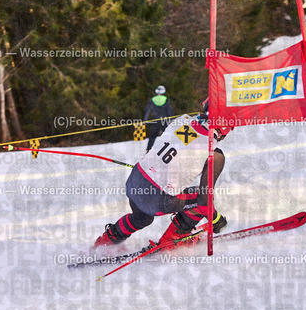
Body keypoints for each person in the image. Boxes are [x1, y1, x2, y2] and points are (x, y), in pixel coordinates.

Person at [94, 103, 233, 250]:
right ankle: (173, 239)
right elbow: (203, 201)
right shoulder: (215, 154)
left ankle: (105, 242)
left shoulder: (182, 120)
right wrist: (216, 220)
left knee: (142, 218)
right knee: (201, 197)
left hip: (134, 181)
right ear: (225, 128)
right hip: (157, 199)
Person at [144, 85, 174, 152]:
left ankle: (148, 150)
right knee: (166, 135)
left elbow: (147, 111)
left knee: (152, 136)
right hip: (164, 120)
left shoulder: (152, 100)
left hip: (155, 119)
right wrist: (172, 118)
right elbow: (169, 110)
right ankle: (168, 150)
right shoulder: (166, 99)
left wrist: (145, 120)